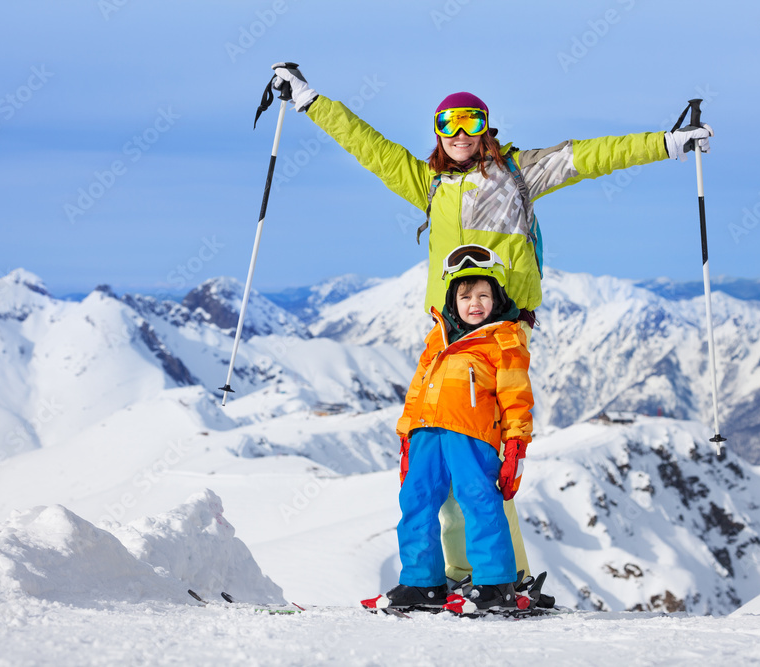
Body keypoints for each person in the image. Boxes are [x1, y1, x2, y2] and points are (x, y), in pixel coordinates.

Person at [270, 63, 712, 584]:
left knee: (480, 469)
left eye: (471, 122)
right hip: (446, 334)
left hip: (499, 332)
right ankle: (465, 577)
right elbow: (365, 144)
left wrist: (669, 142)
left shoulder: (518, 174)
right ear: (438, 131)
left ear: (487, 128)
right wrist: (307, 99)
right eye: (449, 124)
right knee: (449, 473)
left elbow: (591, 156)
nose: (460, 134)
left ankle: (507, 578)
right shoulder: (427, 183)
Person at [362, 245, 532, 612]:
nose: (475, 303)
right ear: (453, 301)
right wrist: (407, 436)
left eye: (484, 295)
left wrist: (516, 443)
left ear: (497, 297)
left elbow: (517, 396)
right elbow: (417, 390)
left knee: (479, 500)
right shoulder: (436, 339)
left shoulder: (504, 340)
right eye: (465, 295)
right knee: (415, 502)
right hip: (426, 433)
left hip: (471, 435)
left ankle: (495, 584)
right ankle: (422, 583)